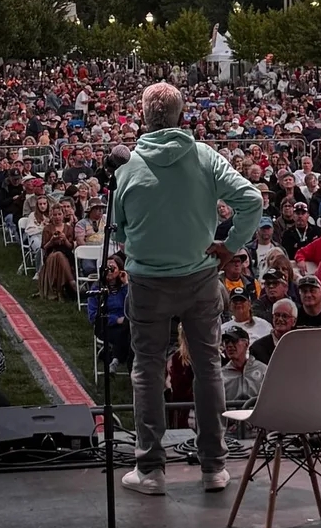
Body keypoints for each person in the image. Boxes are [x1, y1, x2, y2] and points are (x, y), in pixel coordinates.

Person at [109, 82, 261, 496]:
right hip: (199, 278)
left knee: (147, 371)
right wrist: (230, 247)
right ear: (181, 115)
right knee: (208, 367)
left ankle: (151, 470)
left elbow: (119, 231)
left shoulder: (129, 167)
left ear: (143, 115)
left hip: (148, 282)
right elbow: (251, 200)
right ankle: (213, 467)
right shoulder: (205, 158)